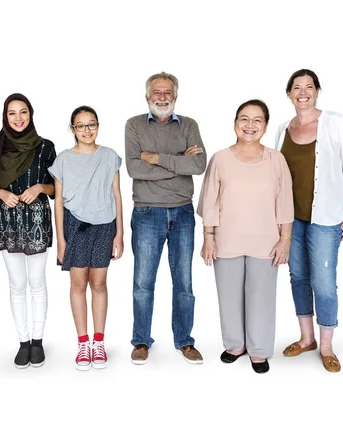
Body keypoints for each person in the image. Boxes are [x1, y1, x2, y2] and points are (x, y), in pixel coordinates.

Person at [198, 100, 294, 374]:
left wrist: (285, 239)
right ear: (235, 123)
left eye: (257, 120)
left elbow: (285, 202)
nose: (250, 125)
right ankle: (235, 345)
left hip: (266, 242)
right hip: (226, 240)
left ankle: (259, 350)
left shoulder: (277, 160)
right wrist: (208, 238)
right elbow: (210, 203)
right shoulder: (220, 159)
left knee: (261, 297)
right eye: (244, 118)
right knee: (228, 296)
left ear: (265, 125)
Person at [276, 69, 343, 373]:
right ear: (288, 94)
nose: (302, 92)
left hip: (325, 218)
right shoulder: (283, 129)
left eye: (308, 87)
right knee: (298, 276)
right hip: (291, 220)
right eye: (296, 88)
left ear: (317, 91)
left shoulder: (336, 123)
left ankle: (326, 345)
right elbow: (276, 176)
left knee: (323, 283)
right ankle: (307, 338)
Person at [125, 71, 206, 365]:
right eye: (157, 92)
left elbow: (198, 165)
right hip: (147, 212)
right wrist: (178, 161)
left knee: (183, 281)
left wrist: (156, 158)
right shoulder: (134, 126)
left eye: (167, 92)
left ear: (175, 96)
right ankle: (141, 341)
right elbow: (135, 170)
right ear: (147, 97)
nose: (162, 97)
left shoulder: (189, 125)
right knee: (143, 282)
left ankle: (185, 341)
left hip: (183, 211)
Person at [0, 93, 56, 368]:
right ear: (5, 116)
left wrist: (40, 188)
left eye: (23, 112)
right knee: (17, 284)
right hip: (8, 222)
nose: (18, 118)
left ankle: (38, 341)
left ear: (31, 114)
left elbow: (58, 187)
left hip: (36, 220)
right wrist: (0, 192)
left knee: (37, 282)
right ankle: (23, 341)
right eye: (12, 113)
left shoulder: (46, 147)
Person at [49, 106, 123, 371]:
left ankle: (99, 342)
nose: (87, 130)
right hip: (74, 225)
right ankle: (83, 343)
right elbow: (58, 201)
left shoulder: (110, 156)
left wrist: (120, 233)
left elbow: (117, 194)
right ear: (72, 130)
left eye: (91, 124)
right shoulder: (63, 160)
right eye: (80, 126)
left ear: (98, 126)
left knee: (99, 283)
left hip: (104, 224)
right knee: (78, 283)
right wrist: (61, 240)